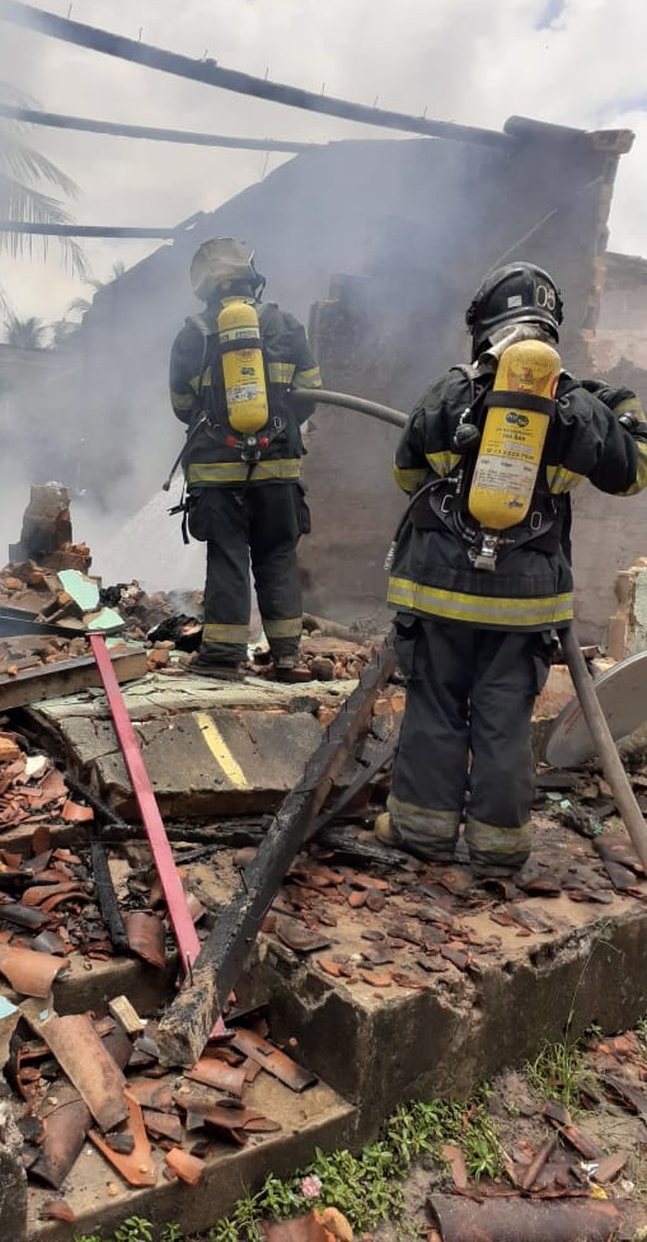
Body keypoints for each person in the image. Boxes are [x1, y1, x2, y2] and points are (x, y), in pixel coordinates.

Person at [378, 260, 647, 877]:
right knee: (504, 717)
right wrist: (617, 405)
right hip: (524, 605)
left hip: (439, 593)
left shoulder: (447, 395)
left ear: (484, 329)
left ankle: (422, 832)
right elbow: (634, 472)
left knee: (436, 707)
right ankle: (500, 849)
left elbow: (405, 475)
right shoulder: (577, 408)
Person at [169, 237, 322, 681]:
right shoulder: (286, 325)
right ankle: (287, 656)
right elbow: (311, 392)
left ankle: (221, 657)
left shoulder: (193, 333)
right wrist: (277, 427)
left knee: (228, 555)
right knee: (278, 555)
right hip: (278, 469)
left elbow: (181, 405)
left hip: (217, 474)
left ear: (204, 285)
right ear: (250, 276)